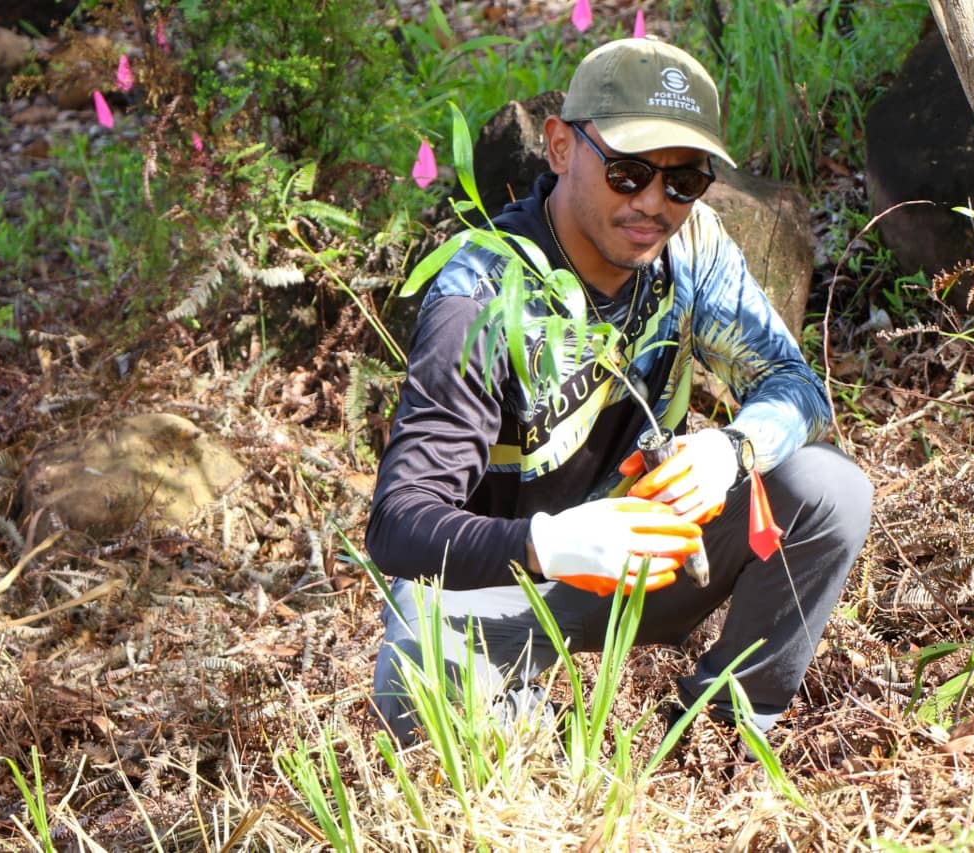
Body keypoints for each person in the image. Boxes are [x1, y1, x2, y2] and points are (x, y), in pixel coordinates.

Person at [366, 37, 873, 747]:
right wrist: (552, 542)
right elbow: (398, 524)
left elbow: (797, 388)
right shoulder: (481, 295)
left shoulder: (694, 250)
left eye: (684, 181)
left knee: (828, 488)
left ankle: (723, 738)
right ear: (561, 147)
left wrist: (732, 449)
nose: (655, 205)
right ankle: (532, 732)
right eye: (629, 172)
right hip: (505, 579)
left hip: (650, 557)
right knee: (422, 692)